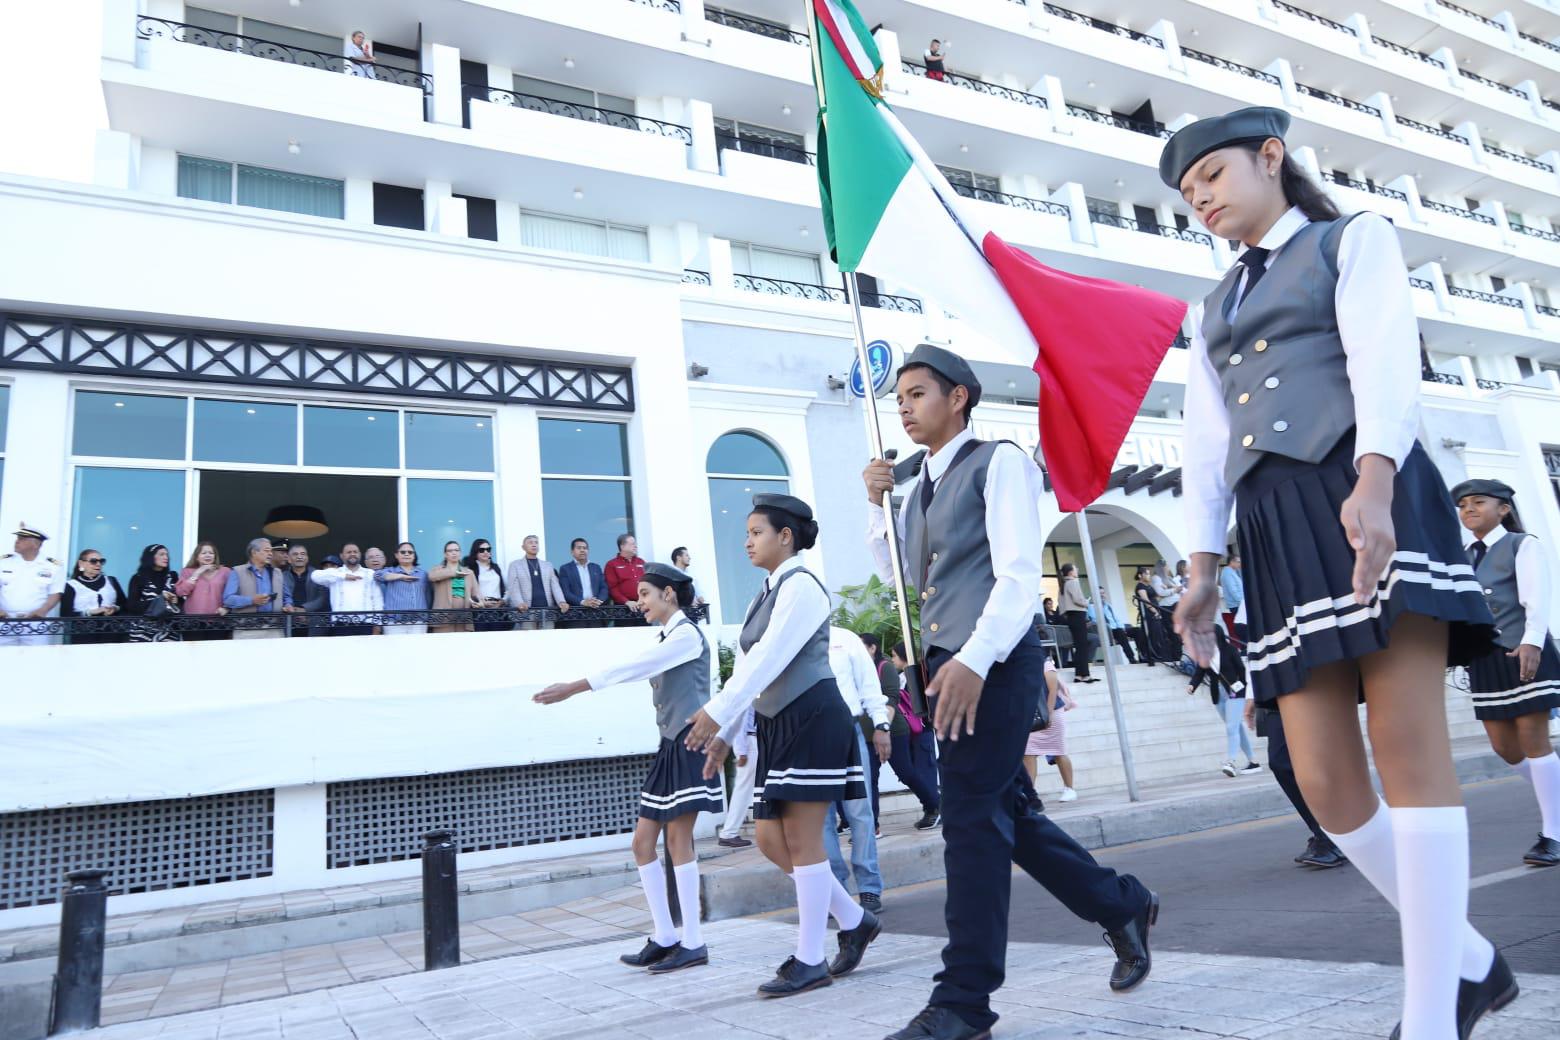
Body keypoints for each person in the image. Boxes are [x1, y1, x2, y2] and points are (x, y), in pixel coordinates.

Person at [1162, 106, 1513, 1039]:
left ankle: (1431, 1013)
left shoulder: (1351, 239)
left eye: (1212, 177)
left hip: (1363, 486)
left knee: (1406, 746)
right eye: (1188, 194)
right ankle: (1471, 962)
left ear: (1270, 157)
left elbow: (1385, 361)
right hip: (1273, 524)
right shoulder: (1211, 307)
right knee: (1324, 780)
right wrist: (1202, 567)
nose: (1201, 200)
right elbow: (1204, 444)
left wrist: (1376, 481)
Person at [864, 345, 1157, 1040]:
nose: (903, 408)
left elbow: (1021, 575)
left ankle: (964, 1002)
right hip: (948, 663)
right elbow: (900, 573)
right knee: (1005, 812)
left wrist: (972, 659)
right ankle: (1119, 904)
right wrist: (876, 506)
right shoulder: (919, 484)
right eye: (898, 399)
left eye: (916, 394)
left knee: (970, 821)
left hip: (991, 660)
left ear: (958, 397)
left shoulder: (1000, 462)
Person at [684, 494, 879, 998]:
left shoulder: (803, 587)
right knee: (771, 840)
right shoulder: (765, 593)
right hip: (776, 725)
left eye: (757, 532)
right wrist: (726, 734)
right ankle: (854, 919)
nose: (747, 542)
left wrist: (717, 712)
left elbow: (768, 658)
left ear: (785, 536)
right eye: (747, 533)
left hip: (812, 717)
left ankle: (810, 958)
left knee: (802, 840)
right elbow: (750, 670)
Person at [535, 562, 721, 974]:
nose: (639, 603)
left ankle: (693, 941)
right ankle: (665, 936)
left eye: (644, 595)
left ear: (668, 594)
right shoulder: (666, 636)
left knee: (678, 842)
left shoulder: (686, 634)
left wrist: (574, 687)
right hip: (670, 745)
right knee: (642, 843)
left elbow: (635, 667)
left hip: (689, 743)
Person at [1452, 478, 1560, 867]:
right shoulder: (1462, 555)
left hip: (1523, 648)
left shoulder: (1521, 544)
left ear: (1504, 509)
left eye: (1479, 502)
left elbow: (1536, 598)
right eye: (1463, 504)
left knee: (1533, 740)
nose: (1469, 509)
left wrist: (1532, 642)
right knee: (1503, 747)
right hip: (1484, 657)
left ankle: (1554, 833)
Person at [823, 624, 891, 913]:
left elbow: (868, 685)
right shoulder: (790, 637)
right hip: (807, 738)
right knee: (820, 818)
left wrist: (881, 724)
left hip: (847, 731)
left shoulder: (845, 639)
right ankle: (835, 891)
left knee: (860, 813)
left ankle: (869, 888)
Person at [1186, 625, 1261, 778]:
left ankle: (1231, 762)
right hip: (1218, 695)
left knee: (1231, 727)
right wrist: (1192, 685)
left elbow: (1241, 671)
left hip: (1235, 692)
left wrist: (1242, 689)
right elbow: (1199, 672)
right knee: (1236, 727)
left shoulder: (1230, 650)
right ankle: (1253, 761)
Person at [882, 639, 942, 829]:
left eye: (894, 656)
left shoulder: (917, 675)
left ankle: (935, 810)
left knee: (924, 770)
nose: (893, 660)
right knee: (915, 770)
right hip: (912, 730)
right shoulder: (903, 677)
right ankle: (933, 808)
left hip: (921, 729)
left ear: (902, 655)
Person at [0, 523, 66, 646]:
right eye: (17, 538)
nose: (17, 541)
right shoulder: (4, 562)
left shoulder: (53, 566)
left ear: (36, 544)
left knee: (35, 656)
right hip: (5, 620)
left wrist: (43, 610)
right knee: (4, 656)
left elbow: (55, 593)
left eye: (22, 539)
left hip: (35, 622)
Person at [1025, 658, 1077, 802]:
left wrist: (1048, 714)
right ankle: (1029, 792)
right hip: (1033, 715)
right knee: (1028, 753)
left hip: (1052, 712)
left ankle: (1069, 788)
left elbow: (1052, 690)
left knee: (1058, 752)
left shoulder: (1046, 664)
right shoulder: (1021, 665)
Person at [222, 537, 287, 640]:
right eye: (266, 550)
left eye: (271, 551)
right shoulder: (237, 571)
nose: (270, 554)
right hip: (246, 630)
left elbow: (286, 596)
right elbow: (228, 599)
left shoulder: (277, 572)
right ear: (254, 552)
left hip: (274, 629)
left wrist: (288, 604)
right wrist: (251, 600)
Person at [311, 543, 380, 636]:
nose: (352, 554)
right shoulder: (336, 573)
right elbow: (314, 576)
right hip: (341, 624)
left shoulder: (370, 573)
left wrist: (377, 624)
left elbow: (377, 600)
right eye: (349, 552)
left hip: (366, 623)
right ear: (342, 556)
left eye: (355, 552)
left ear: (360, 554)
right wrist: (344, 576)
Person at [62, 548, 126, 645]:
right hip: (83, 636)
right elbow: (65, 614)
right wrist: (91, 612)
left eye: (101, 561)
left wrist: (114, 608)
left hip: (112, 634)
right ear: (81, 563)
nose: (98, 564)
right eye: (93, 561)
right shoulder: (71, 585)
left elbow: (125, 605)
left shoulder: (111, 581)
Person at [506, 535, 569, 629]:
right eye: (530, 542)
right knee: (529, 637)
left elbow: (555, 586)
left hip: (547, 610)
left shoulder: (548, 565)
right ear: (523, 547)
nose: (534, 544)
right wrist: (519, 603)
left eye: (536, 542)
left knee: (548, 637)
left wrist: (561, 601)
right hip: (527, 611)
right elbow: (513, 587)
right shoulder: (515, 565)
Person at [718, 706, 758, 849]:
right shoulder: (745, 695)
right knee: (743, 791)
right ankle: (728, 833)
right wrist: (741, 752)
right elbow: (739, 721)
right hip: (750, 742)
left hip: (754, 741)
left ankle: (729, 833)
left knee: (748, 789)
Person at [125, 543, 182, 643]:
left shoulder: (172, 576)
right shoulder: (138, 578)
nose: (166, 557)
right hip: (143, 632)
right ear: (150, 557)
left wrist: (176, 600)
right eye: (161, 554)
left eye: (167, 554)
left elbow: (181, 601)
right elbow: (132, 605)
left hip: (169, 632)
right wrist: (159, 599)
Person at [177, 541, 232, 641]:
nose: (208, 555)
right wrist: (197, 573)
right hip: (193, 623)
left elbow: (232, 593)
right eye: (204, 553)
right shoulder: (187, 571)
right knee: (194, 651)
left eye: (211, 553)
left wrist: (226, 608)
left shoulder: (225, 571)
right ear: (197, 557)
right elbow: (181, 592)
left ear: (215, 556)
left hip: (218, 621)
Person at [377, 542, 431, 636]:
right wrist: (400, 576)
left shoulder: (423, 574)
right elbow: (377, 575)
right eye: (403, 552)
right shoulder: (390, 570)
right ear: (396, 555)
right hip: (394, 622)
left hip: (418, 621)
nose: (406, 554)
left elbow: (428, 596)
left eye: (410, 552)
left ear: (414, 556)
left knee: (418, 646)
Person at [1057, 563, 1098, 684]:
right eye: (1075, 568)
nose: (1077, 570)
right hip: (1078, 615)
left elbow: (1062, 605)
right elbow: (1078, 599)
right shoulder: (1073, 582)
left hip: (1071, 617)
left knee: (1079, 646)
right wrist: (1086, 603)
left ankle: (1079, 675)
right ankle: (1085, 675)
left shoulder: (1063, 584)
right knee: (1082, 646)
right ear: (1070, 572)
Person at [559, 537, 610, 627]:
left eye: (585, 548)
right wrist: (583, 602)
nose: (582, 550)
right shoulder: (565, 569)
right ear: (572, 552)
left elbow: (604, 587)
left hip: (596, 613)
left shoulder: (596, 567)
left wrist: (598, 601)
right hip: (576, 614)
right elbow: (566, 592)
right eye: (579, 548)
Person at [428, 540, 477, 633]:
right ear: (445, 554)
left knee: (462, 642)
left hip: (463, 617)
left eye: (456, 550)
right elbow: (431, 576)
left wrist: (479, 603)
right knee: (444, 642)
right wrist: (454, 573)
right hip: (443, 617)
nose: (454, 553)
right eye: (450, 551)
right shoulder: (437, 569)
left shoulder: (469, 572)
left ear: (460, 553)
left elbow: (476, 594)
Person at [282, 543, 328, 637]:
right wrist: (292, 610)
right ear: (289, 559)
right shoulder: (282, 576)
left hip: (313, 620)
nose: (299, 557)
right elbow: (281, 597)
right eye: (295, 554)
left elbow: (322, 598)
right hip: (289, 619)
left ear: (307, 558)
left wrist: (304, 609)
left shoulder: (317, 575)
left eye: (303, 554)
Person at [465, 539, 509, 633]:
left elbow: (509, 588)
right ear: (475, 552)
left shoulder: (497, 568)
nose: (486, 552)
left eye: (488, 549)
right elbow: (467, 592)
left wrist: (502, 601)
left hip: (498, 611)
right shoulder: (471, 569)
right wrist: (481, 602)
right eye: (482, 550)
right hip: (479, 612)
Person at [605, 533, 648, 624]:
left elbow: (648, 583)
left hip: (642, 607)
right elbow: (612, 588)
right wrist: (626, 602)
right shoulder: (612, 564)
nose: (635, 546)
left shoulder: (641, 562)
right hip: (623, 609)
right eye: (632, 544)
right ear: (622, 546)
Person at [1132, 564, 1171, 663]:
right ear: (1140, 575)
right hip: (1150, 613)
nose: (1149, 576)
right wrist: (1155, 611)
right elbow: (1146, 601)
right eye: (1147, 574)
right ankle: (1154, 656)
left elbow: (1157, 598)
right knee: (1153, 634)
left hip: (1156, 610)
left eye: (1149, 574)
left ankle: (1161, 655)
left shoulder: (1148, 586)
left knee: (1159, 634)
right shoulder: (1140, 587)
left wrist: (1164, 588)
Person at [1088, 594, 1139, 665]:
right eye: (1100, 594)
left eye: (1103, 593)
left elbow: (1116, 618)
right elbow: (1095, 620)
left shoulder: (1108, 606)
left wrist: (1122, 627)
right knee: (1120, 633)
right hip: (1107, 630)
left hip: (1117, 628)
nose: (1102, 595)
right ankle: (1131, 658)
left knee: (1137, 630)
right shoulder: (1091, 607)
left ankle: (1143, 656)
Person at [1219, 553, 1245, 636]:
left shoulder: (1232, 572)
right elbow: (1233, 591)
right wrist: (1242, 602)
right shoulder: (1227, 573)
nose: (1239, 564)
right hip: (1237, 605)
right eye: (1238, 562)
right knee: (1243, 627)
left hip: (1238, 604)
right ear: (1231, 562)